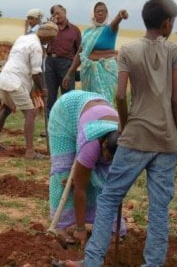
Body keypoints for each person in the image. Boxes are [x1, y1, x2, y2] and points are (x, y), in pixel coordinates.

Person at [62, 0, 177, 267]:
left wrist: (125, 123)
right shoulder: (175, 52)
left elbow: (120, 95)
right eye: (172, 21)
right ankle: (153, 263)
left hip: (135, 137)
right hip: (166, 141)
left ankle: (93, 260)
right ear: (167, 22)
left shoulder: (129, 50)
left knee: (110, 198)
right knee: (158, 208)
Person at [48, 90, 125, 244]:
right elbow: (80, 189)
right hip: (65, 113)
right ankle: (61, 226)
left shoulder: (124, 143)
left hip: (93, 109)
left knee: (103, 177)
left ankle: (105, 224)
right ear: (103, 144)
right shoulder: (91, 145)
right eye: (106, 156)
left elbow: (114, 187)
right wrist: (80, 229)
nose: (106, 160)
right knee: (64, 171)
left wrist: (115, 228)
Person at [0, 22, 58, 159]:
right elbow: (36, 73)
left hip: (4, 77)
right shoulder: (37, 47)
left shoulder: (23, 38)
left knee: (6, 108)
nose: (51, 42)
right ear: (47, 38)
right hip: (15, 81)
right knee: (31, 113)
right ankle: (30, 152)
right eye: (51, 40)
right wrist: (43, 88)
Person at [62, 2, 128, 102]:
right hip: (88, 73)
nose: (100, 13)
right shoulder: (88, 32)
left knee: (104, 102)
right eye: (98, 11)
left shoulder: (110, 29)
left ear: (107, 13)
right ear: (93, 14)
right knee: (90, 103)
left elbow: (115, 22)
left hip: (106, 72)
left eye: (103, 11)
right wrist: (69, 73)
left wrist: (120, 15)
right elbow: (80, 55)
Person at [45, 5, 81, 117]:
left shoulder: (75, 30)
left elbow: (80, 51)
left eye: (58, 13)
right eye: (53, 14)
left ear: (64, 11)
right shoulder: (49, 28)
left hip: (66, 65)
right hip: (50, 62)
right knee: (50, 96)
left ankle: (68, 127)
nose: (56, 16)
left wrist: (73, 69)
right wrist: (49, 26)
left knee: (68, 97)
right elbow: (41, 40)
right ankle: (50, 128)